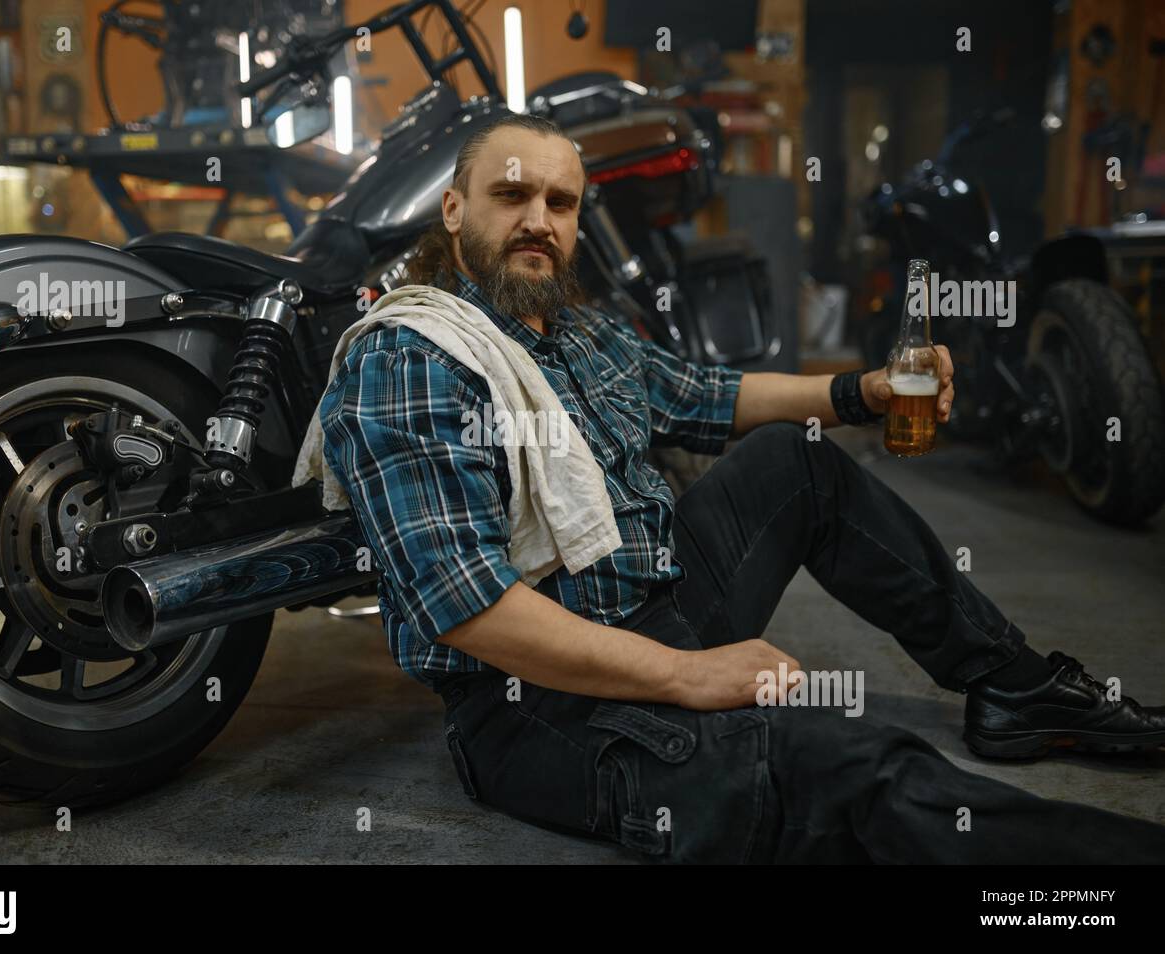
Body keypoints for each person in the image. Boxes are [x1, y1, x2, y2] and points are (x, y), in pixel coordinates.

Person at [314, 113, 1165, 863]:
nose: (539, 220)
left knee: (798, 460)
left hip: (658, 598)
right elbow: (467, 607)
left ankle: (1015, 687)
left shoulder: (578, 332)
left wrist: (858, 395)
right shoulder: (416, 356)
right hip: (537, 700)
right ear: (456, 211)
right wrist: (688, 677)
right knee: (852, 770)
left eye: (562, 203)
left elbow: (709, 398)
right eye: (512, 195)